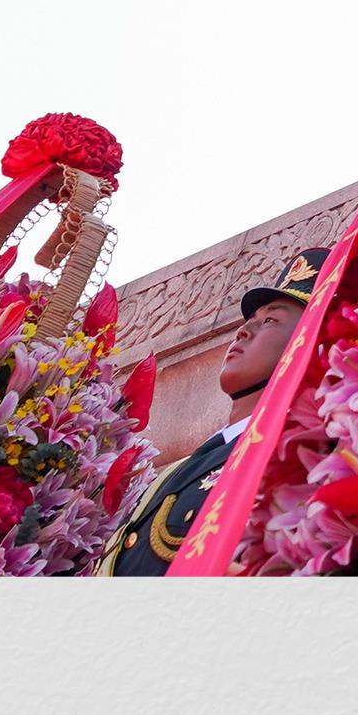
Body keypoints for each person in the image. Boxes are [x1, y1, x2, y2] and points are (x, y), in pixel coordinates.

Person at [100, 244, 322, 576]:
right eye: (251, 320)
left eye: (271, 320)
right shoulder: (177, 471)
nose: (243, 330)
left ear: (308, 343)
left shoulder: (293, 458)